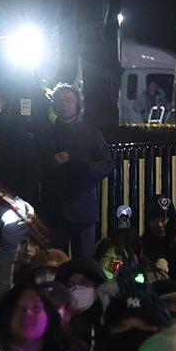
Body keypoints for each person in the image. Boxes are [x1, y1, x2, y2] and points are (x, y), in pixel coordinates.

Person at [37, 83, 110, 255]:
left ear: (77, 104)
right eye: (60, 101)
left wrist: (85, 168)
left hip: (83, 208)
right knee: (55, 261)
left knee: (84, 262)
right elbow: (35, 167)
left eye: (69, 100)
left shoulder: (91, 133)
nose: (64, 105)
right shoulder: (45, 135)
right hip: (54, 210)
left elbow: (107, 164)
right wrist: (52, 162)